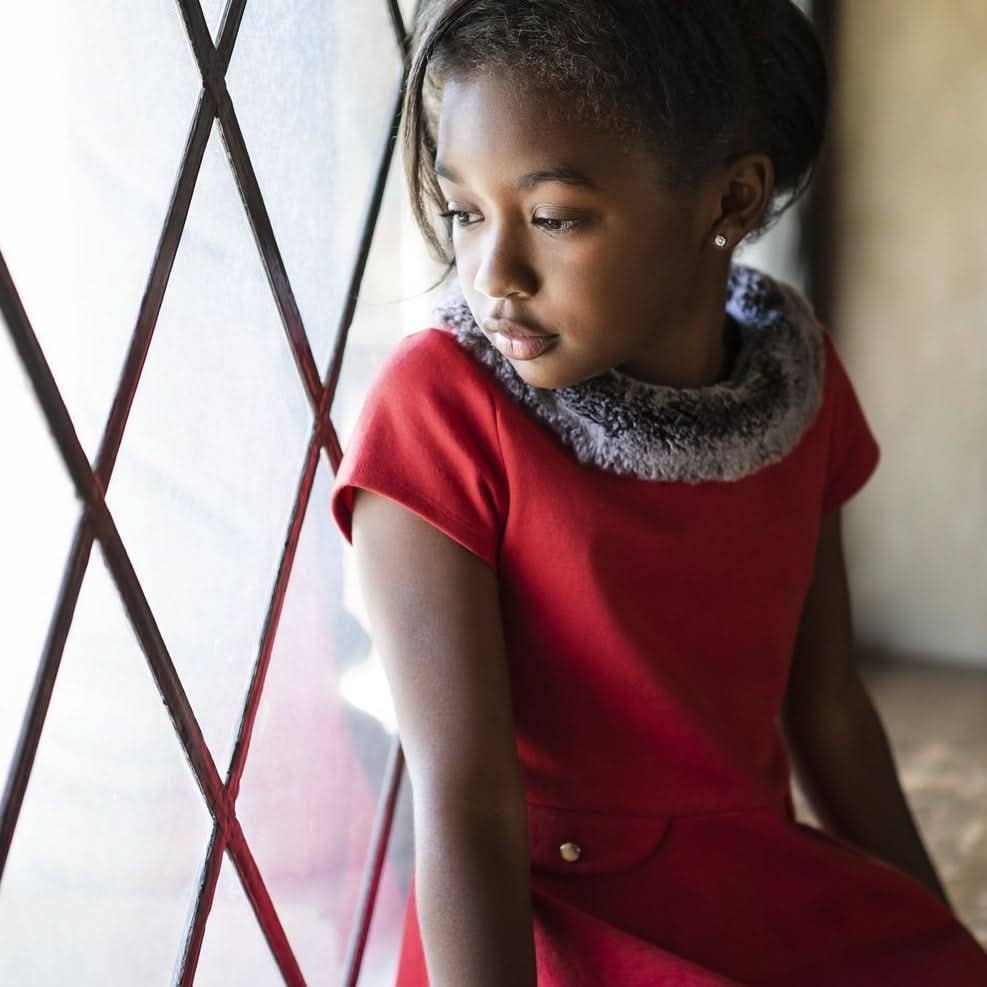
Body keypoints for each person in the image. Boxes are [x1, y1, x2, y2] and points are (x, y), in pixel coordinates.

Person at [329, 1, 987, 984]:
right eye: (466, 210)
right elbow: (464, 806)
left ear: (730, 202)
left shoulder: (791, 382)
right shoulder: (439, 411)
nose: (492, 273)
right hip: (550, 926)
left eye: (553, 218)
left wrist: (932, 932)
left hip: (760, 892)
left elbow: (830, 707)